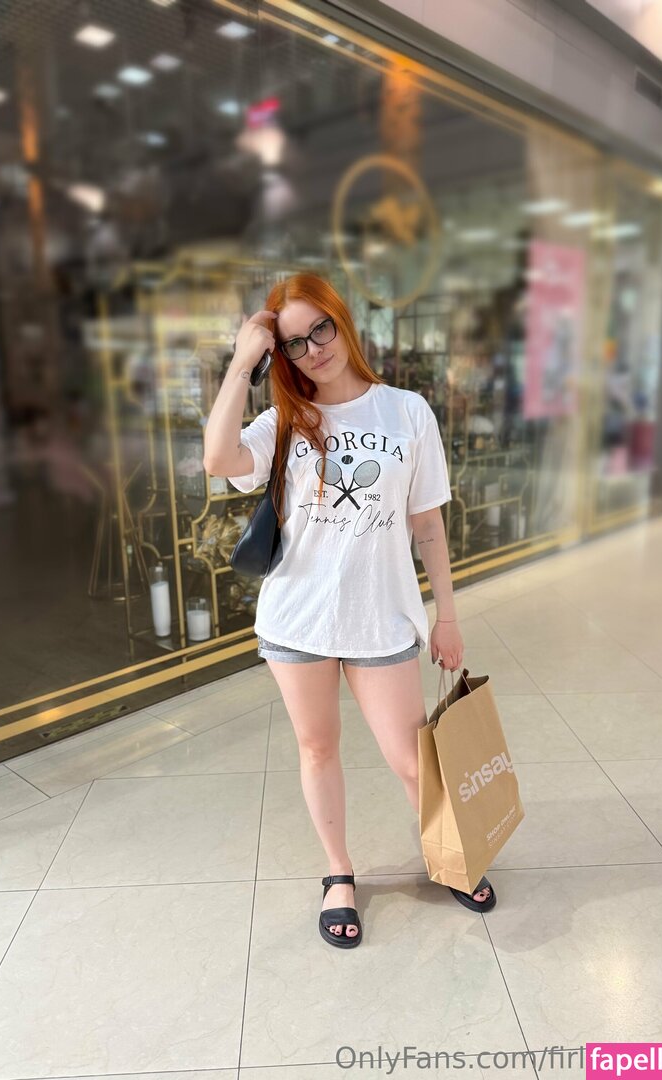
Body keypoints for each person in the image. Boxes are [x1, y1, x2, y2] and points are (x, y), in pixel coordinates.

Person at [203, 274, 496, 949]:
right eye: (294, 343)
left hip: (380, 617)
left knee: (412, 759)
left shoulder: (406, 412)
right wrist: (244, 361)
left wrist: (447, 616)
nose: (313, 349)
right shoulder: (285, 421)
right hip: (297, 619)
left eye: (321, 329)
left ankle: (451, 853)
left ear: (343, 320)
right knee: (318, 748)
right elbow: (218, 458)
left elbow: (428, 525)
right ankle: (338, 874)